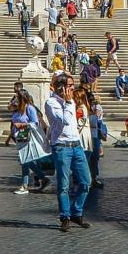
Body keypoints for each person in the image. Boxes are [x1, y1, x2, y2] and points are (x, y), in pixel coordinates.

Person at [45, 76, 92, 232]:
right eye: (70, 85)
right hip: (61, 147)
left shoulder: (71, 101)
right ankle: (65, 216)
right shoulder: (51, 103)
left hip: (76, 145)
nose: (73, 88)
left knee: (86, 181)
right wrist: (67, 102)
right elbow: (64, 120)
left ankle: (76, 212)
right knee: (64, 185)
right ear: (61, 88)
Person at [11, 92, 50, 194]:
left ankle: (25, 186)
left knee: (25, 160)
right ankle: (42, 179)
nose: (15, 100)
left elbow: (35, 123)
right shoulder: (18, 109)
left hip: (27, 138)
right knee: (26, 160)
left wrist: (23, 125)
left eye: (17, 98)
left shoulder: (30, 108)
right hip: (20, 137)